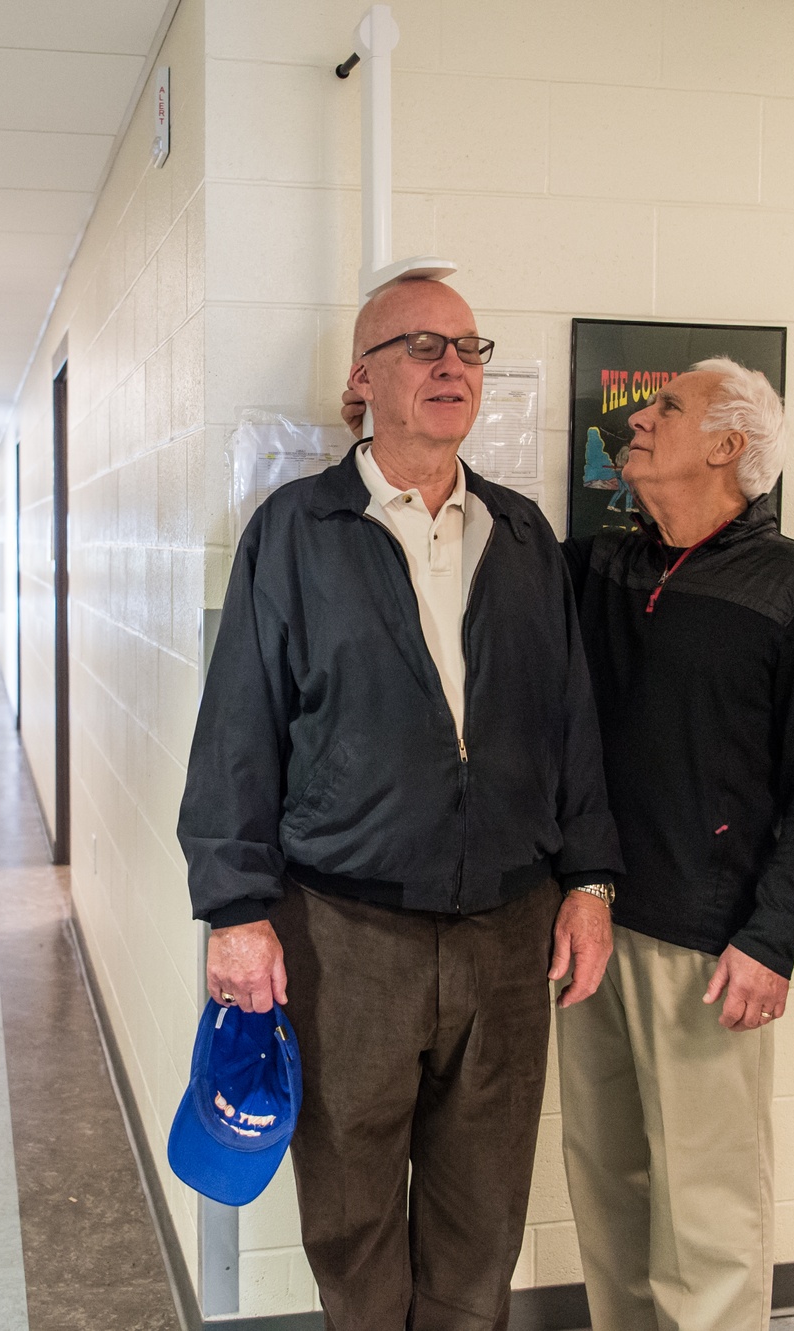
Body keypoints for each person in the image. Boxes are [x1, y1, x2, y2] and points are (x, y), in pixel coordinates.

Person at [179, 277, 622, 1329]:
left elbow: (571, 721)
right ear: (360, 379)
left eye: (467, 347)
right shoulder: (293, 530)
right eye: (420, 345)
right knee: (350, 1212)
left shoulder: (519, 535)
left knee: (483, 1218)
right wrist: (235, 909)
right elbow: (236, 731)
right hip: (344, 931)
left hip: (506, 931)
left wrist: (589, 877)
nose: (450, 366)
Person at [556, 362, 794, 1331]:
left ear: (729, 446)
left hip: (707, 942)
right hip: (589, 922)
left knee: (708, 1214)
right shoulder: (602, 564)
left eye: (664, 408)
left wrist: (771, 937)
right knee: (606, 1188)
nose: (635, 420)